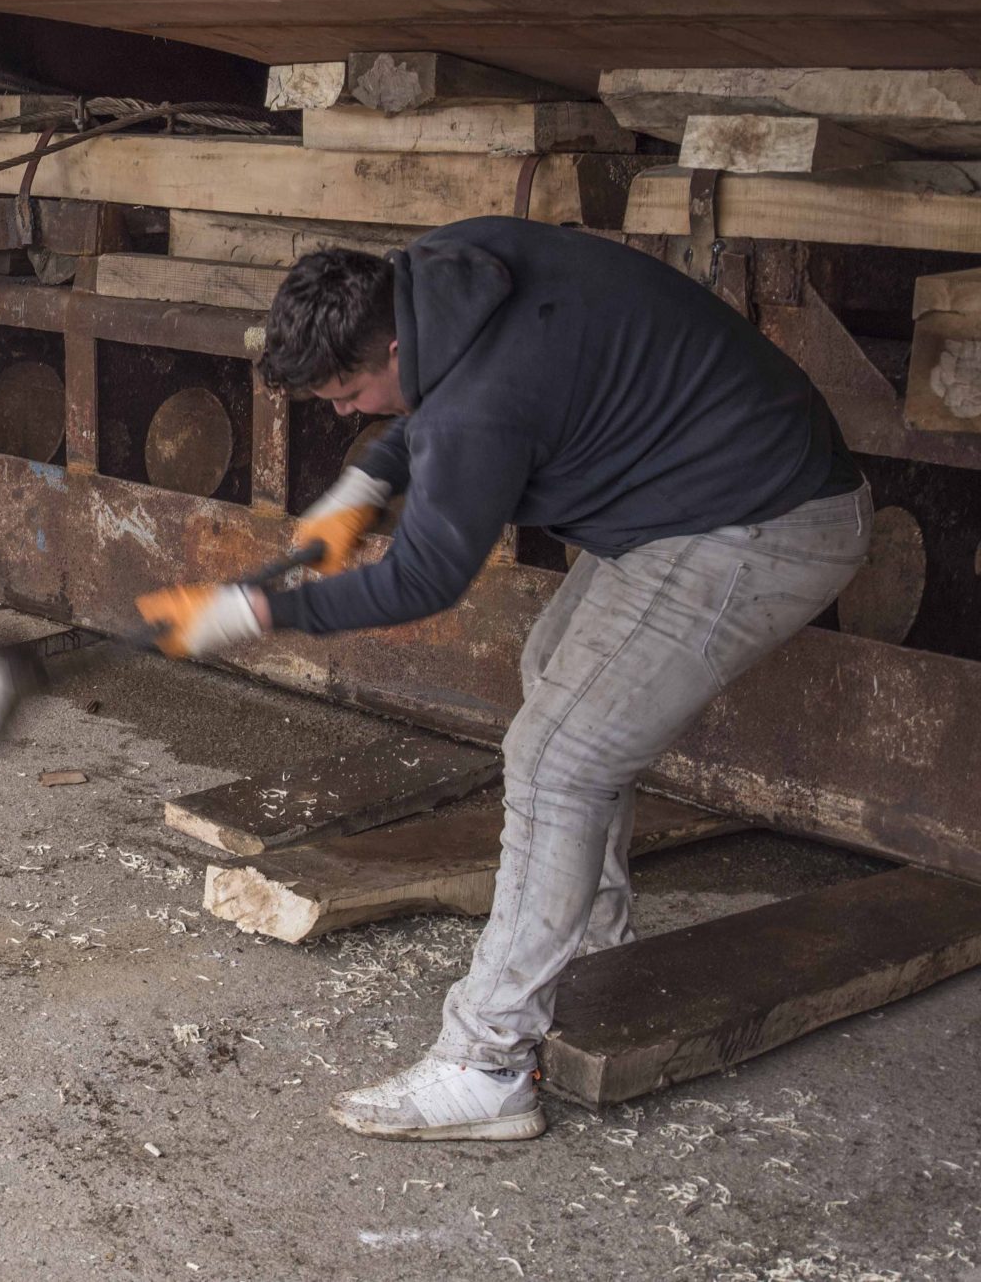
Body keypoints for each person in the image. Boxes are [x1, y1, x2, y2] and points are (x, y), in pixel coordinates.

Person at [133, 218, 869, 1144]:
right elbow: (429, 402)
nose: (347, 412)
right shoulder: (444, 271)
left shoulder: (479, 403)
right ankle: (592, 943)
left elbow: (425, 579)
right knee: (555, 671)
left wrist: (256, 612)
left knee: (556, 757)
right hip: (707, 483)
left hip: (766, 520)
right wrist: (368, 479)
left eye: (349, 394)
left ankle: (487, 1063)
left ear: (390, 347)